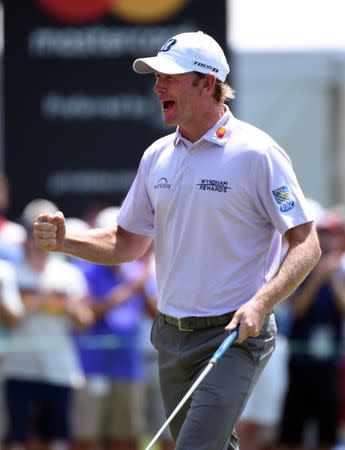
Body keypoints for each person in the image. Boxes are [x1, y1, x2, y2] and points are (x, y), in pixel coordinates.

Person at [33, 31, 321, 450]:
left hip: (234, 334)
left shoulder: (258, 153)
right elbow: (126, 241)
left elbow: (306, 242)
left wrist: (262, 302)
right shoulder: (156, 156)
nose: (157, 86)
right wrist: (65, 241)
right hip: (170, 335)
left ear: (207, 83)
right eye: (155, 77)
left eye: (169, 76)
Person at [3, 199, 93, 450]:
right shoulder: (9, 273)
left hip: (59, 370)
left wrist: (71, 308)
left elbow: (84, 323)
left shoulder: (69, 274)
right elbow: (11, 319)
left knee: (55, 441)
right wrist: (43, 299)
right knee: (17, 440)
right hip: (19, 368)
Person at [278, 204, 345, 450]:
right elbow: (296, 310)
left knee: (327, 434)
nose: (328, 239)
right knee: (291, 434)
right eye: (324, 232)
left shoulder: (340, 270)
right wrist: (318, 277)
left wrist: (334, 277)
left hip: (329, 365)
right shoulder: (299, 270)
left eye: (333, 233)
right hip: (299, 364)